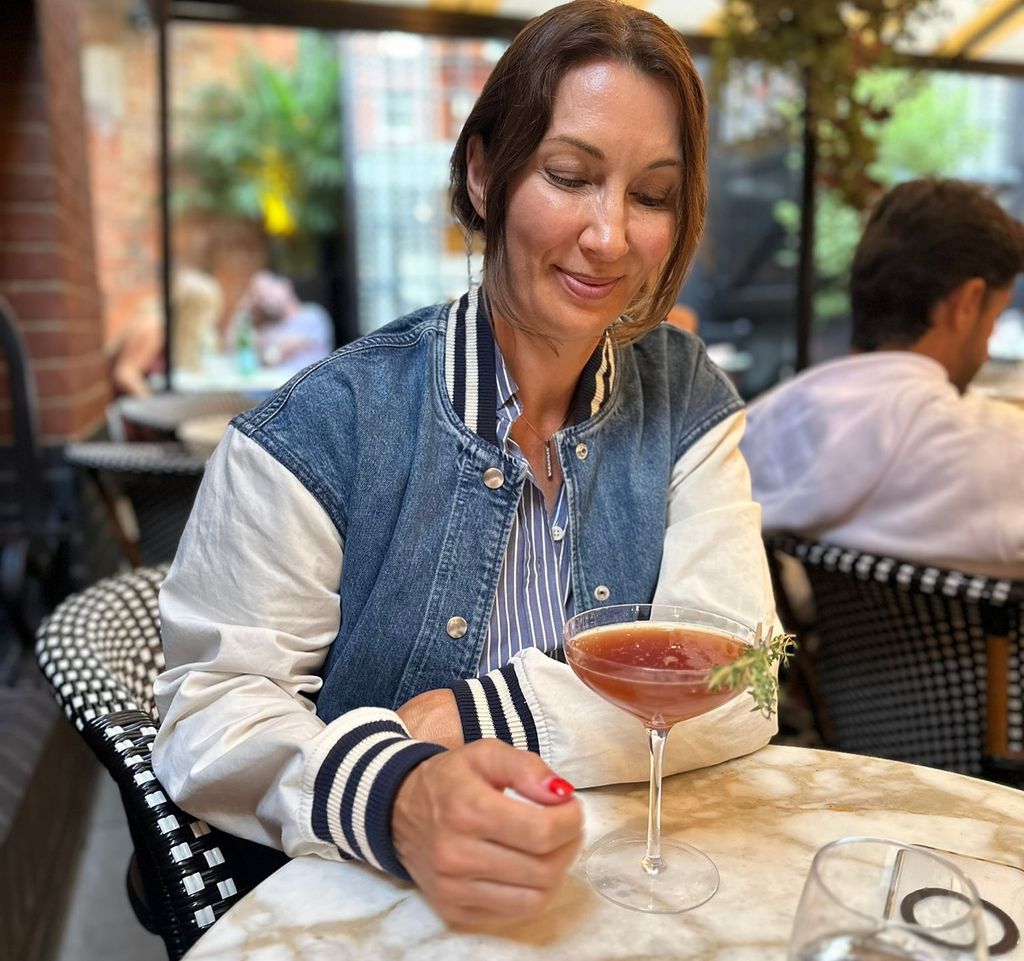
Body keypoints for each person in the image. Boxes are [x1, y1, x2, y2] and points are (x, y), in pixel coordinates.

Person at [153, 0, 778, 926]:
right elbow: (211, 711)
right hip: (382, 906)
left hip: (625, 895)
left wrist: (470, 718)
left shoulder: (686, 396)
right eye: (569, 176)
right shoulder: (322, 427)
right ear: (484, 172)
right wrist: (399, 792)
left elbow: (743, 675)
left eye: (650, 195)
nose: (609, 236)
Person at [742, 178, 1024, 579]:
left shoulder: (762, 428)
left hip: (818, 640)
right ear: (968, 303)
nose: (988, 348)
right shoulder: (998, 455)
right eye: (993, 319)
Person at [108, 268, 223, 396]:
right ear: (191, 309)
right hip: (128, 407)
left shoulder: (171, 328)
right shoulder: (154, 327)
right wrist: (155, 407)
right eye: (207, 310)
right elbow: (125, 374)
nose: (212, 317)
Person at [227, 270, 334, 374]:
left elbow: (281, 350)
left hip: (309, 387)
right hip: (274, 389)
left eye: (268, 289)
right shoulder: (268, 328)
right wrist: (245, 306)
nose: (266, 298)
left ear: (285, 285)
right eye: (259, 296)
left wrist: (268, 356)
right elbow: (230, 346)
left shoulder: (312, 315)